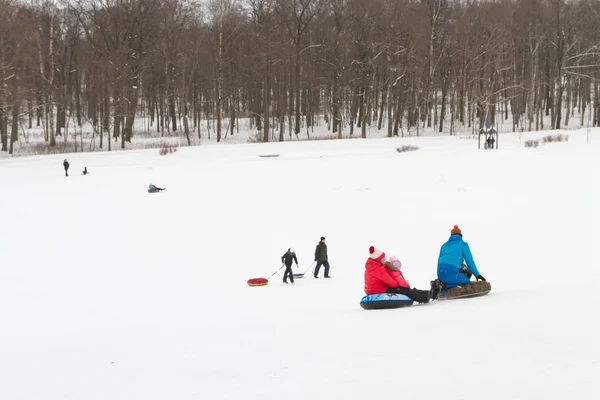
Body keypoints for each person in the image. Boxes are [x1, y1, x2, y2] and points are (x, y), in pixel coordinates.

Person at [364, 247, 437, 303]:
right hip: (378, 290)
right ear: (378, 259)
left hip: (374, 289)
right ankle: (428, 295)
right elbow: (392, 283)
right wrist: (400, 284)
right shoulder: (377, 269)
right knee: (405, 291)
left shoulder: (372, 266)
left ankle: (426, 294)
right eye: (383, 258)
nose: (385, 259)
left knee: (404, 289)